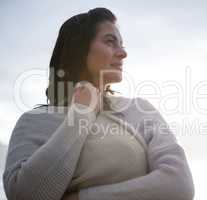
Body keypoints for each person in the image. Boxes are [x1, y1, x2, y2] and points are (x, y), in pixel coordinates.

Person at [2, 7, 195, 200]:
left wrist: (81, 198)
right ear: (80, 47)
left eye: (122, 44)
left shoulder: (139, 109)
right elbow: (25, 195)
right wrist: (81, 114)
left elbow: (179, 185)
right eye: (110, 42)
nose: (123, 53)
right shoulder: (33, 122)